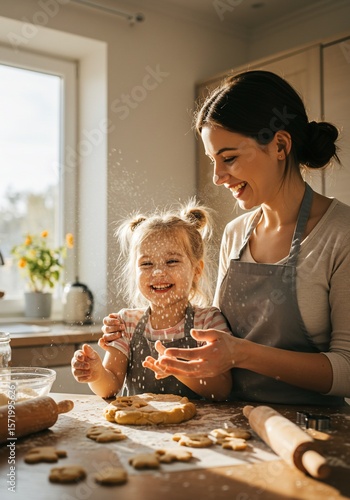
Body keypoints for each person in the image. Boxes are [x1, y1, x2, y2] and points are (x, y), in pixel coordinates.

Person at [150, 70, 350, 405]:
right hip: (232, 425)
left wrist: (241, 354)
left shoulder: (340, 234)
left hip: (313, 433)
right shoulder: (235, 233)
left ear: (280, 145)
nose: (217, 177)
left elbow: (347, 371)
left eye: (229, 158)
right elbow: (218, 341)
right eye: (214, 161)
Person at [71, 200, 232, 401]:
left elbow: (222, 390)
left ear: (196, 270)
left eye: (172, 261)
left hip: (194, 430)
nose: (158, 271)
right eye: (146, 263)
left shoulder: (208, 322)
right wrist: (95, 374)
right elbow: (109, 387)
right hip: (140, 429)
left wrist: (177, 369)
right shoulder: (126, 323)